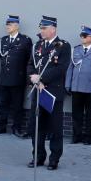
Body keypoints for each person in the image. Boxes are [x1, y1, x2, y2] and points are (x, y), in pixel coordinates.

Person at [26, 15, 71, 170]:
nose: (42, 31)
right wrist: (34, 79)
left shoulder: (63, 46)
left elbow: (61, 68)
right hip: (38, 91)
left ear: (53, 29)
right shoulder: (37, 45)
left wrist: (42, 78)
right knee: (37, 126)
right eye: (41, 28)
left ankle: (54, 159)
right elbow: (30, 65)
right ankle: (38, 157)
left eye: (44, 28)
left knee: (55, 127)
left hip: (52, 93)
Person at [65, 25, 91, 145]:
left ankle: (88, 137)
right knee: (76, 114)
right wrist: (68, 84)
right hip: (76, 87)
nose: (82, 38)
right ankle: (76, 136)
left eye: (84, 36)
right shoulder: (75, 50)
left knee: (90, 115)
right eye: (81, 35)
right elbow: (70, 68)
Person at [0, 14, 33, 136]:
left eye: (10, 25)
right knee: (3, 104)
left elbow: (29, 60)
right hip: (4, 77)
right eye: (7, 25)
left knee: (17, 105)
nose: (7, 27)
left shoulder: (25, 40)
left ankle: (17, 128)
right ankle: (1, 127)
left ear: (16, 26)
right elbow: (2, 57)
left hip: (18, 78)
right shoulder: (3, 40)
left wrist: (27, 78)